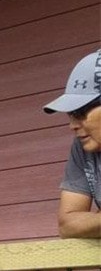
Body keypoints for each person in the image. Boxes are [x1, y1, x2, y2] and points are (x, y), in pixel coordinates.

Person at [43, 49, 101, 238]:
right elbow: (67, 224)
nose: (72, 125)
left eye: (81, 112)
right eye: (70, 114)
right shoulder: (84, 147)